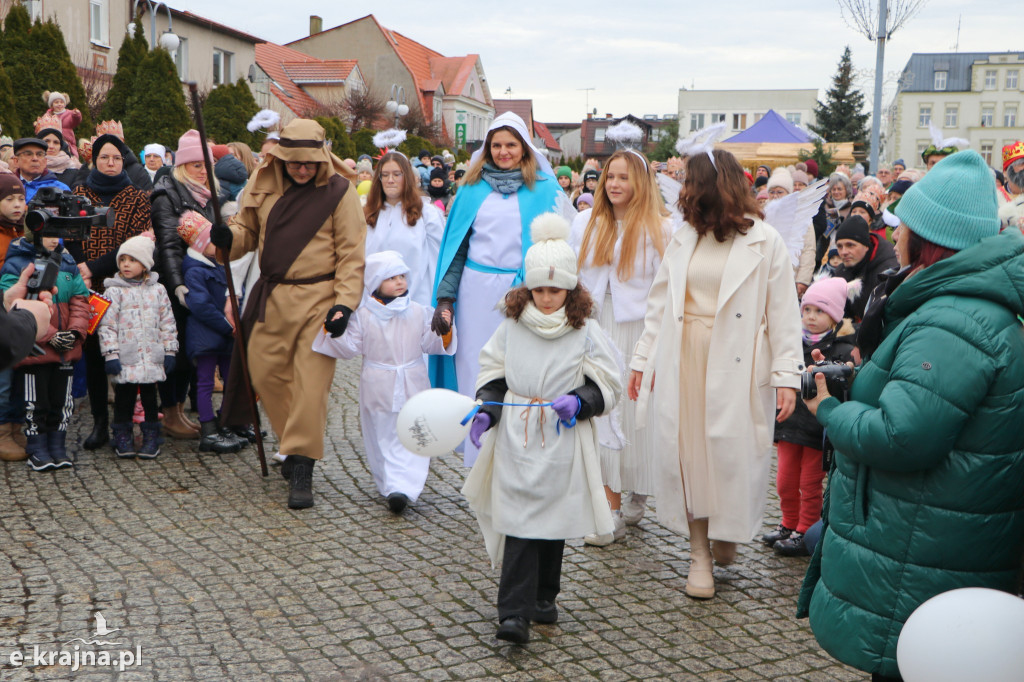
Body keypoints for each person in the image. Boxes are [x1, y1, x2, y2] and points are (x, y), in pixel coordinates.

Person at [798, 150, 1024, 681]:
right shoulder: (960, 306)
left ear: (926, 238)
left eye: (903, 224)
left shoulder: (954, 319)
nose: (893, 233)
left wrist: (829, 408)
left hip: (924, 545)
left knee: (915, 665)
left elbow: (902, 435)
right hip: (931, 535)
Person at [628, 148, 803, 600]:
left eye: (690, 180)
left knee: (732, 454)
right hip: (684, 355)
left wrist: (787, 374)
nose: (682, 189)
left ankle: (726, 531)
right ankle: (699, 553)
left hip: (738, 359)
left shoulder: (766, 241)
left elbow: (784, 313)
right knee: (690, 457)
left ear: (714, 185)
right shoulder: (685, 237)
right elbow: (659, 304)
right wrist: (641, 360)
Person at [462, 214, 622, 644]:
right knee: (519, 520)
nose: (547, 298)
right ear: (527, 289)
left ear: (570, 289)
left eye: (555, 290)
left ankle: (544, 597)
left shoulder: (585, 331)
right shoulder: (512, 326)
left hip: (560, 436)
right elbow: (493, 372)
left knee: (551, 521)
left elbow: (609, 383)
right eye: (539, 289)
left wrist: (583, 400)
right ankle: (512, 612)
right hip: (517, 433)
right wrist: (487, 411)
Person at [212, 118, 365, 510]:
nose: (301, 169)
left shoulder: (340, 192)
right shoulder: (262, 187)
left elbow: (351, 253)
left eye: (309, 163)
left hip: (320, 298)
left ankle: (302, 464)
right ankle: (293, 445)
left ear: (321, 160)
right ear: (282, 158)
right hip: (273, 296)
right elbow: (245, 234)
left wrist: (344, 304)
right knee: (264, 373)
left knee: (311, 386)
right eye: (294, 162)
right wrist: (228, 238)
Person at [431, 111, 575, 466]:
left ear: (524, 148)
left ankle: (519, 457)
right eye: (496, 145)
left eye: (511, 144)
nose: (503, 151)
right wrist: (445, 300)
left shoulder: (543, 190)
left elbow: (561, 246)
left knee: (520, 370)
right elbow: (456, 249)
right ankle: (478, 461)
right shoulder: (469, 190)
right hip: (475, 293)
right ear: (487, 148)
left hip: (525, 292)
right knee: (476, 370)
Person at [569, 149, 671, 545]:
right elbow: (573, 276)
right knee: (602, 413)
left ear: (640, 183)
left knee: (638, 415)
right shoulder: (585, 222)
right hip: (598, 327)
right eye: (610, 176)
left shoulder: (661, 228)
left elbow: (669, 286)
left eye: (624, 177)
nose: (614, 184)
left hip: (641, 331)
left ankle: (637, 490)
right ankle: (607, 507)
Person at [312, 250, 456, 513]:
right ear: (376, 282)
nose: (399, 282)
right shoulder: (365, 315)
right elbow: (350, 347)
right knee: (382, 432)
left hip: (412, 381)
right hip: (378, 384)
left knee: (414, 428)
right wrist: (334, 329)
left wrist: (443, 330)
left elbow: (429, 342)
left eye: (402, 276)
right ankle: (391, 484)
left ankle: (407, 486)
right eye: (391, 278)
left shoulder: (417, 311)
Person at [68, 133, 154, 450]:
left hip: (122, 286)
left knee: (124, 356)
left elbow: (133, 245)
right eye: (105, 157)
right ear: (94, 160)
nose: (111, 162)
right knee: (92, 357)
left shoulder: (135, 198)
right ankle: (100, 424)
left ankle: (122, 424)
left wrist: (94, 268)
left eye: (116, 157)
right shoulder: (79, 193)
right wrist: (81, 269)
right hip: (86, 287)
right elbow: (70, 234)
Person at [764, 277, 855, 556]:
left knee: (810, 483)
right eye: (807, 310)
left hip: (816, 430)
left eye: (819, 311)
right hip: (790, 425)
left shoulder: (841, 350)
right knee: (785, 481)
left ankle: (805, 530)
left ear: (835, 317)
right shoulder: (791, 346)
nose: (811, 317)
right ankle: (788, 523)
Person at [151, 129, 221, 441]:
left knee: (192, 350)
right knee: (174, 351)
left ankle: (179, 409)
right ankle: (171, 411)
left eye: (207, 164)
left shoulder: (209, 196)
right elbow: (168, 245)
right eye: (197, 165)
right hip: (175, 286)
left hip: (203, 283)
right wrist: (179, 286)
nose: (203, 171)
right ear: (182, 166)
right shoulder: (168, 194)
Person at [0, 233, 90, 470]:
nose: (54, 240)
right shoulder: (18, 263)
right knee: (35, 402)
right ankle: (37, 447)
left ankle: (57, 446)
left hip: (67, 349)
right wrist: (51, 335)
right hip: (37, 350)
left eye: (57, 235)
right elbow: (16, 307)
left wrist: (75, 332)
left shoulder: (68, 263)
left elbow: (81, 300)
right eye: (48, 235)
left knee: (62, 402)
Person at [97, 235, 178, 459]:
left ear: (145, 264)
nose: (125, 264)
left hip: (152, 357)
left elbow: (168, 322)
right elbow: (107, 326)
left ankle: (151, 435)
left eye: (132, 260)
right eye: (122, 260)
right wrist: (110, 354)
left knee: (151, 399)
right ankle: (122, 435)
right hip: (126, 357)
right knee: (124, 398)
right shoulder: (114, 291)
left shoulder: (158, 290)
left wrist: (170, 350)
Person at [177, 211, 243, 455]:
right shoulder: (195, 270)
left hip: (226, 335)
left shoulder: (218, 265)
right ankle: (208, 428)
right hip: (209, 334)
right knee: (205, 381)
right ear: (203, 245)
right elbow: (202, 305)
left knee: (230, 379)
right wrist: (228, 326)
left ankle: (227, 421)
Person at [364, 151, 443, 308]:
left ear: (406, 177)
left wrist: (439, 301)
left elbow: (437, 261)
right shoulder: (368, 214)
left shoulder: (427, 214)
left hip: (417, 303)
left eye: (396, 174)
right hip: (374, 306)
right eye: (385, 175)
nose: (390, 180)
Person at [831, 215, 898, 325]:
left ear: (866, 246)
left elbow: (882, 319)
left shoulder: (888, 270)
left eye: (850, 245)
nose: (843, 252)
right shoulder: (841, 271)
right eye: (839, 246)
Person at [34, 115, 81, 188]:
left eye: (56, 142)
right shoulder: (28, 168)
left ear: (61, 146)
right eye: (47, 141)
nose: (51, 146)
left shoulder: (73, 171)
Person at [42, 91, 81, 158]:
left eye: (61, 102)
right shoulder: (47, 116)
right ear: (51, 105)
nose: (59, 104)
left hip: (67, 142)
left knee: (67, 156)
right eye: (56, 102)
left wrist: (76, 115)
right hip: (53, 142)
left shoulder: (69, 114)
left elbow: (75, 121)